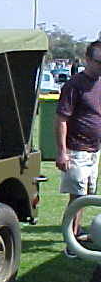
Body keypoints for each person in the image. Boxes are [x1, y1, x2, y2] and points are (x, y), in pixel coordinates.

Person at [55, 40, 101, 257]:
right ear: (87, 59)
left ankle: (76, 232)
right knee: (77, 197)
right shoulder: (74, 85)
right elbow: (61, 119)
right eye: (98, 62)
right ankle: (71, 244)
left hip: (94, 151)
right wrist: (62, 151)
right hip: (76, 150)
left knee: (85, 195)